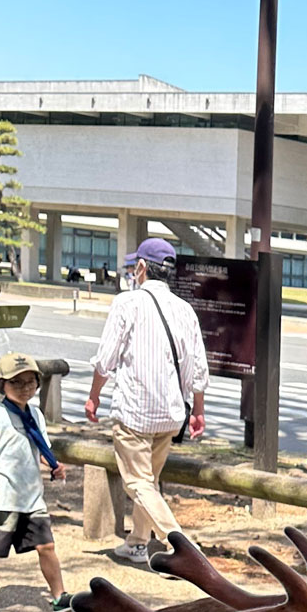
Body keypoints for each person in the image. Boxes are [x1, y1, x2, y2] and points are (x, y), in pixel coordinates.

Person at [84, 236, 208, 568]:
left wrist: (94, 396)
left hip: (136, 410)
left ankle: (179, 544)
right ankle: (138, 542)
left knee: (138, 482)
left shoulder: (127, 303)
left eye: (134, 267)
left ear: (141, 267)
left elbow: (105, 359)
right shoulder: (185, 310)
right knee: (148, 482)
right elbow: (197, 367)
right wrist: (198, 411)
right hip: (170, 413)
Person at [0, 353, 71, 612]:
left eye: (30, 382)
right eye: (17, 383)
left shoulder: (36, 415)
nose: (25, 388)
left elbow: (40, 447)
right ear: (2, 385)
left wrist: (53, 463)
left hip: (31, 495)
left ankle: (59, 596)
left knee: (46, 546)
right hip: (0, 495)